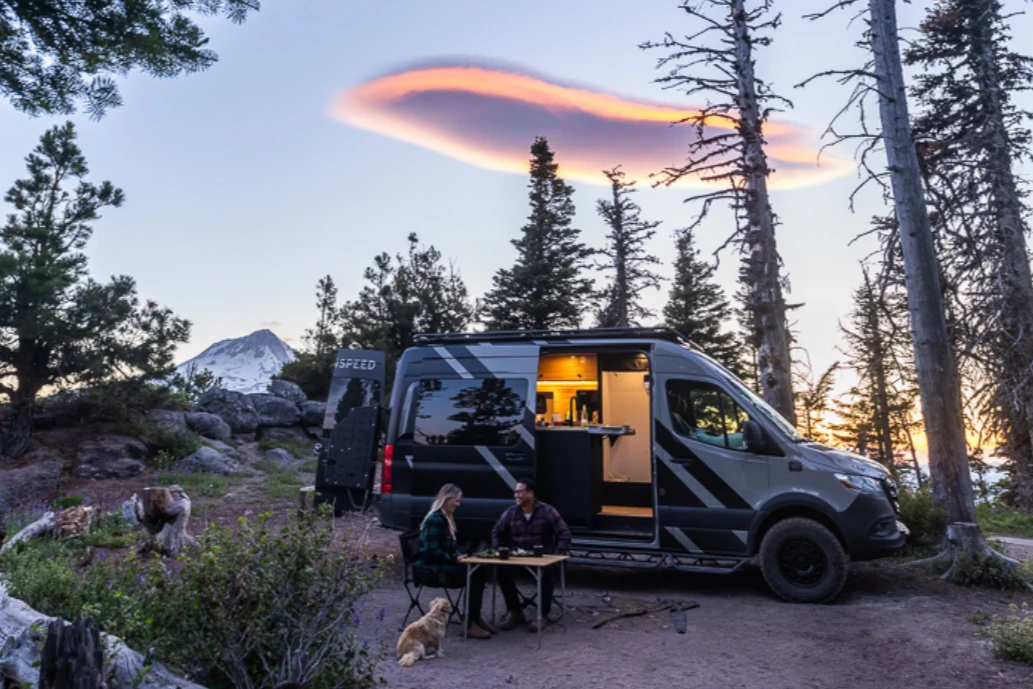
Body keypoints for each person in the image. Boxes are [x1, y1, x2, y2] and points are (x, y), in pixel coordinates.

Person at [414, 483, 496, 639]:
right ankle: (469, 622)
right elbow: (432, 552)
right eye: (456, 501)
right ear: (447, 498)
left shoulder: (446, 519)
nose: (458, 505)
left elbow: (450, 548)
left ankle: (474, 617)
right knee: (475, 574)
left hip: (440, 564)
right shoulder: (434, 519)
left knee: (478, 569)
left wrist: (460, 555)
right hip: (431, 569)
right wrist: (454, 558)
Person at [491, 479, 572, 632]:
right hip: (518, 559)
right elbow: (496, 531)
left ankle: (542, 615)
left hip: (542, 559)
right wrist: (498, 549)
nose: (516, 495)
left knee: (547, 573)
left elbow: (565, 533)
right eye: (515, 492)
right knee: (502, 571)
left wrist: (557, 555)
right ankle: (515, 611)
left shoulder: (547, 511)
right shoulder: (511, 512)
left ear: (530, 494)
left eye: (519, 492)